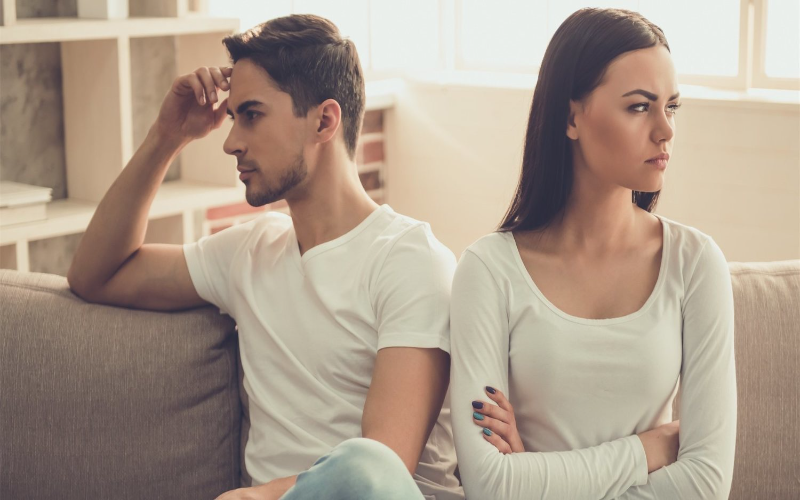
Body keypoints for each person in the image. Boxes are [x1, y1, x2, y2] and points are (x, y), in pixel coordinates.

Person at [68, 14, 463, 500]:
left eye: (251, 115)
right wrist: (167, 136)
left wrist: (256, 496)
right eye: (233, 117)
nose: (231, 142)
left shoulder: (411, 261)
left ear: (324, 121)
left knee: (364, 466)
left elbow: (381, 466)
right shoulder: (248, 252)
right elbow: (96, 274)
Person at [449, 8, 736, 499]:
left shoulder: (695, 264)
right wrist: (647, 449)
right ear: (571, 118)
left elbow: (706, 483)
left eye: (671, 106)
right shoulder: (488, 271)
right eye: (640, 107)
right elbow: (489, 485)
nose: (666, 130)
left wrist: (536, 476)